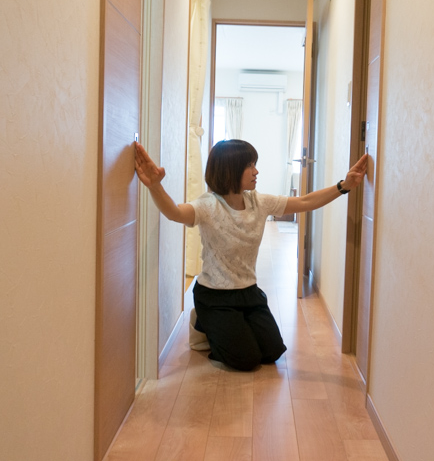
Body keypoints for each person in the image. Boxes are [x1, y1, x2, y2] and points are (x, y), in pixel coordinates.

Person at [134, 139, 367, 371]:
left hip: (248, 292)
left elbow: (305, 201)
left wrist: (344, 186)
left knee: (272, 351)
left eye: (255, 164)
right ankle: (203, 323)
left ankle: (231, 326)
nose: (256, 171)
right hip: (215, 295)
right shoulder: (208, 205)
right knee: (246, 360)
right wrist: (155, 186)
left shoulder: (258, 202)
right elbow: (175, 213)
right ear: (230, 169)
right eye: (250, 165)